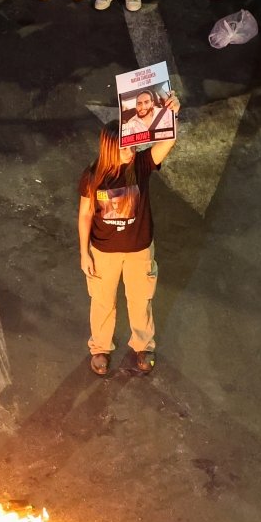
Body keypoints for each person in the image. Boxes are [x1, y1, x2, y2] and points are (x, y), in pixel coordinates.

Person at [79, 100, 180, 377]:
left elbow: (168, 142)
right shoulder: (93, 177)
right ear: (109, 148)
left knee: (140, 300)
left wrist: (170, 116)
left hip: (139, 250)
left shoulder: (141, 165)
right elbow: (85, 215)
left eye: (133, 145)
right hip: (104, 252)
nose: (131, 151)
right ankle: (100, 348)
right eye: (124, 147)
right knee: (102, 302)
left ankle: (143, 346)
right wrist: (84, 253)